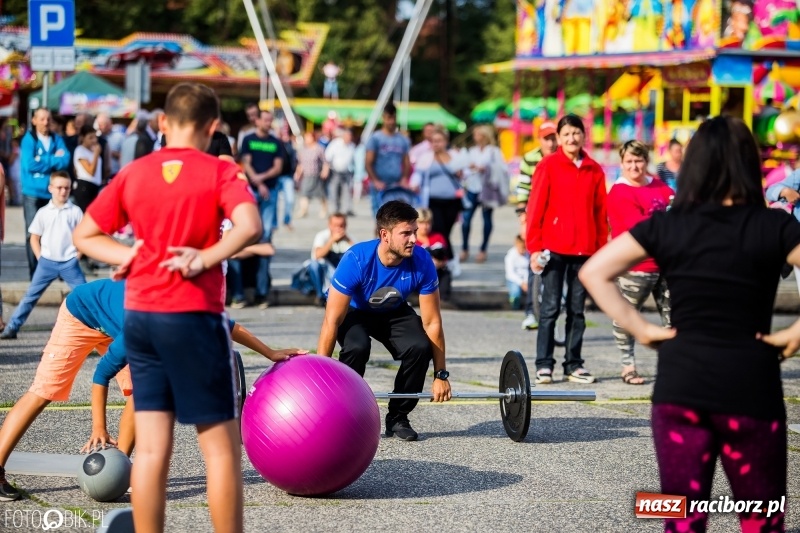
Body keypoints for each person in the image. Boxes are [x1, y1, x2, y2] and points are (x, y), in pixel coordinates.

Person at [579, 116, 794, 533]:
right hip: (751, 387)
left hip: (680, 389)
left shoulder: (668, 225)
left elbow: (593, 272)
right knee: (764, 519)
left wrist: (643, 330)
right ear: (750, 164)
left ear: (693, 165)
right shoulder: (775, 225)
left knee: (679, 517)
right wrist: (793, 336)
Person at [73, 82, 262, 533]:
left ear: (163, 123)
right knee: (219, 450)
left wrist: (130, 256)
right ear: (212, 126)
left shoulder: (135, 172)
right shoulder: (221, 171)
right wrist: (206, 257)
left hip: (140, 319)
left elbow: (85, 235)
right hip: (195, 318)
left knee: (154, 449)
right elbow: (250, 226)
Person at [76, 279, 306, 455]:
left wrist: (270, 352)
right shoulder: (133, 336)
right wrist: (99, 427)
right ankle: (122, 462)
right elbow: (100, 375)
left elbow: (232, 328)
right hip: (87, 308)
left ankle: (122, 460)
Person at [317, 201, 452, 441]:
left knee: (420, 347)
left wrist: (440, 375)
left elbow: (432, 323)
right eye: (406, 233)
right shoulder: (357, 259)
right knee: (357, 347)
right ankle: (345, 413)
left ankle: (398, 417)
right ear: (385, 235)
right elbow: (332, 321)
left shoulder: (422, 261)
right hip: (354, 311)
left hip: (393, 309)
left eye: (415, 231)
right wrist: (319, 376)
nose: (413, 239)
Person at [526, 115, 607, 385]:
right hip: (553, 248)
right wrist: (535, 248)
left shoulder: (595, 169)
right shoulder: (547, 166)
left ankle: (573, 364)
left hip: (585, 251)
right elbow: (535, 208)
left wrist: (601, 250)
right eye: (567, 134)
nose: (572, 138)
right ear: (559, 138)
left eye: (577, 133)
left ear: (584, 136)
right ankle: (544, 364)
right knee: (549, 308)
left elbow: (600, 214)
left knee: (577, 310)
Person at [606, 140, 674, 385]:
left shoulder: (658, 184)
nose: (635, 166)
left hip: (666, 263)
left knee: (674, 318)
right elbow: (641, 229)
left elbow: (677, 208)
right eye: (629, 161)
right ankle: (628, 366)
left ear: (646, 161)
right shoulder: (620, 192)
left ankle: (673, 367)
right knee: (626, 317)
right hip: (636, 266)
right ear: (622, 163)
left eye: (639, 160)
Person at [1, 172, 86, 340]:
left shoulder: (75, 211)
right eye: (59, 187)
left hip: (69, 262)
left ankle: (102, 329)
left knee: (85, 294)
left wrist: (78, 255)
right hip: (47, 261)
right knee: (30, 297)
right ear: (51, 188)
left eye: (67, 188)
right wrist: (40, 257)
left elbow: (83, 235)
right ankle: (12, 327)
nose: (63, 191)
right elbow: (34, 237)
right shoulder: (44, 212)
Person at [239, 110, 284, 309]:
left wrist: (261, 179)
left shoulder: (276, 143)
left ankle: (262, 292)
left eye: (269, 120)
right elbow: (245, 162)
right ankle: (243, 291)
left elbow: (278, 167)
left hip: (269, 192)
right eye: (265, 119)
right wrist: (256, 180)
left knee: (264, 237)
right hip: (251, 191)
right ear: (257, 121)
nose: (268, 123)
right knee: (247, 233)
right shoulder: (248, 139)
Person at [20, 108, 71, 278]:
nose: (45, 122)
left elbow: (65, 160)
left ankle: (53, 271)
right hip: (32, 193)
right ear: (34, 120)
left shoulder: (57, 138)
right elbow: (30, 165)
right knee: (33, 233)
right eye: (41, 119)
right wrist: (53, 160)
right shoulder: (29, 140)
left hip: (52, 193)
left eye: (48, 119)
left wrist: (41, 160)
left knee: (54, 232)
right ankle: (35, 272)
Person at [517, 121, 558, 330]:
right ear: (540, 139)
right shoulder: (530, 158)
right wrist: (523, 220)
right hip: (535, 218)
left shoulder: (564, 157)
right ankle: (531, 311)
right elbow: (522, 190)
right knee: (534, 263)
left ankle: (556, 310)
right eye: (547, 138)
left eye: (553, 137)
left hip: (559, 217)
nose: (551, 143)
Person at [412, 125, 467, 260]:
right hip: (433, 199)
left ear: (446, 141)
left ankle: (443, 257)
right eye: (433, 141)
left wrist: (462, 173)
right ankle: (448, 258)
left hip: (452, 200)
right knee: (439, 228)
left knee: (447, 231)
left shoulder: (454, 156)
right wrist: (414, 184)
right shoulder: (426, 157)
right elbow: (418, 174)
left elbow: (466, 174)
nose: (436, 144)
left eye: (439, 141)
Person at [461, 124, 506, 264]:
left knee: (486, 219)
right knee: (466, 219)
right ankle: (464, 248)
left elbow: (502, 169)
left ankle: (483, 249)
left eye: (479, 134)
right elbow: (464, 168)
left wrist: (486, 168)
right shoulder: (471, 151)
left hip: (487, 190)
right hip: (472, 187)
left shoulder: (494, 151)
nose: (476, 137)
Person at [365, 103, 411, 216]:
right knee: (380, 219)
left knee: (396, 219)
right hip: (380, 186)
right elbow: (368, 163)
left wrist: (404, 178)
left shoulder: (403, 140)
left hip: (396, 186)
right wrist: (375, 180)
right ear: (383, 118)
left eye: (393, 118)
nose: (391, 121)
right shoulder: (375, 138)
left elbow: (406, 162)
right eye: (388, 118)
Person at [303, 213, 353, 306]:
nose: (338, 228)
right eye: (335, 225)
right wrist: (332, 240)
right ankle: (319, 296)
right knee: (313, 264)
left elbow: (359, 258)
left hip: (337, 271)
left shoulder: (349, 239)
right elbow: (317, 255)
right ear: (329, 225)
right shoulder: (322, 236)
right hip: (323, 271)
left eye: (341, 225)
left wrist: (348, 240)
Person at [415, 208, 452, 301]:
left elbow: (445, 258)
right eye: (421, 223)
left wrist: (438, 262)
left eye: (428, 223)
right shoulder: (412, 239)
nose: (425, 226)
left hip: (438, 272)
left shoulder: (438, 237)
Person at [295, 131, 329, 219]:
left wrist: (325, 171)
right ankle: (303, 210)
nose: (306, 140)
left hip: (316, 175)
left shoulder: (319, 148)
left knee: (320, 194)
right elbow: (300, 163)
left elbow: (325, 161)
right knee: (304, 193)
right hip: (306, 175)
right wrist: (298, 173)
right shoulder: (303, 150)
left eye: (308, 137)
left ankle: (324, 209)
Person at [72, 124, 104, 212]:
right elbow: (90, 171)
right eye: (90, 138)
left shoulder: (92, 151)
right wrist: (96, 154)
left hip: (95, 187)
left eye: (95, 137)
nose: (94, 140)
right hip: (85, 187)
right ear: (83, 138)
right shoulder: (80, 150)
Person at [325, 128, 356, 215]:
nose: (349, 138)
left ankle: (345, 210)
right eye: (347, 136)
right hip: (335, 171)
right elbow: (328, 156)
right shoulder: (335, 144)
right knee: (334, 190)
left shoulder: (352, 146)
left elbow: (353, 160)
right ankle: (334, 210)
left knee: (346, 191)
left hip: (346, 172)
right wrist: (326, 169)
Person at [505, 235, 529, 310]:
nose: (523, 251)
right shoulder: (510, 255)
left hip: (526, 278)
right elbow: (510, 273)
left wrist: (526, 281)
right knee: (515, 291)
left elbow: (528, 269)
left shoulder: (528, 254)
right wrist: (521, 282)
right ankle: (515, 303)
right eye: (521, 248)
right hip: (514, 279)